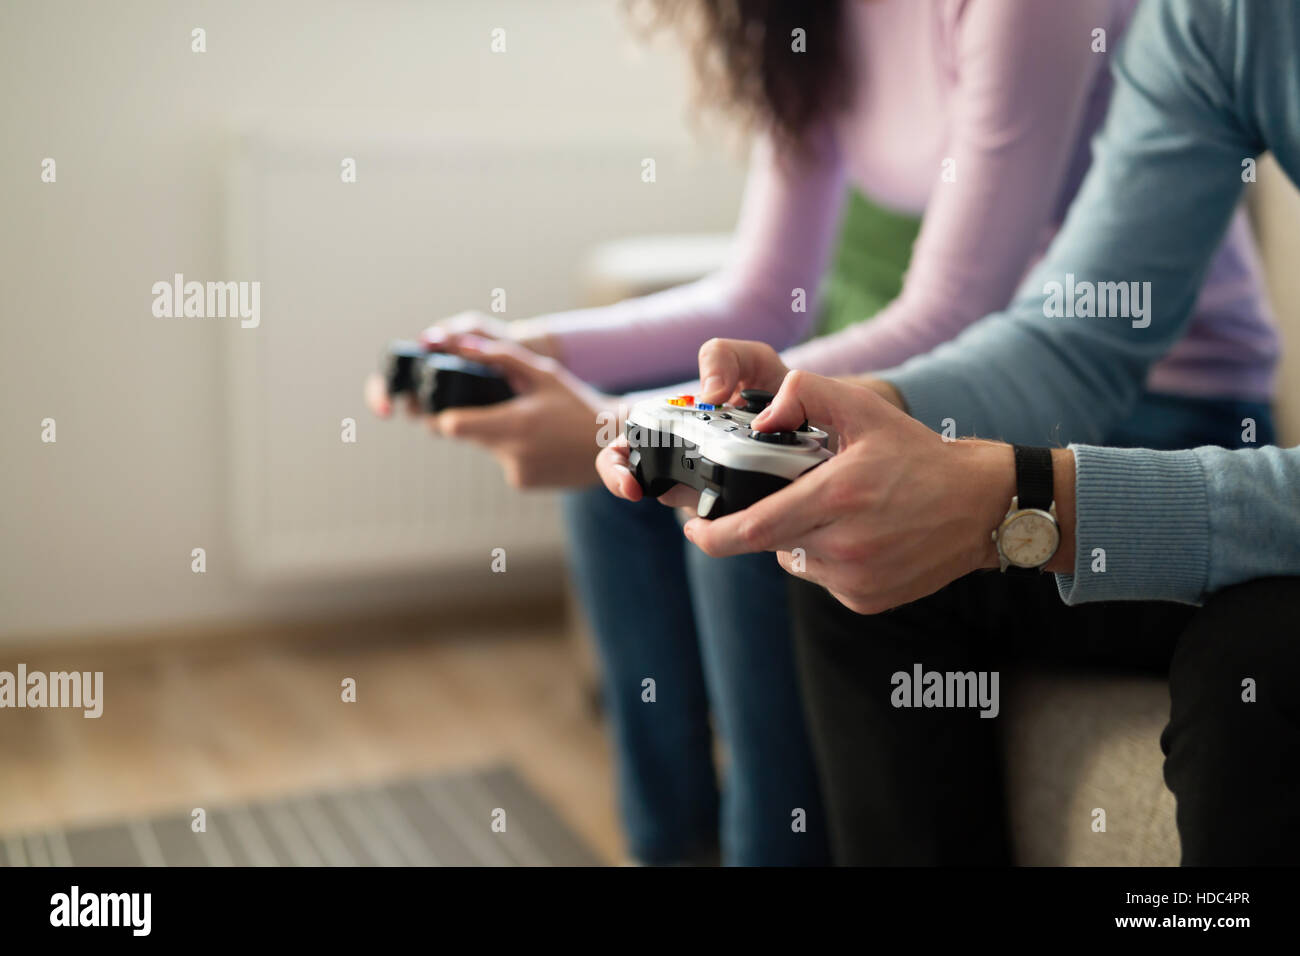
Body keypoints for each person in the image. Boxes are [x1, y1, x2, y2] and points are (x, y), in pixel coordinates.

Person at [368, 0, 1277, 865]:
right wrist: (538, 353)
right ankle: (676, 848)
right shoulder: (805, 20)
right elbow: (763, 292)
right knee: (638, 492)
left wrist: (636, 420)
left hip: (1167, 410)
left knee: (763, 510)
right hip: (1035, 369)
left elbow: (956, 309)